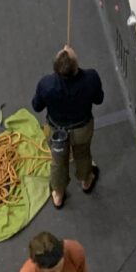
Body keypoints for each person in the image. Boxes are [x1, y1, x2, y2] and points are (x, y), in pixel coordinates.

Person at [31, 45, 104, 209]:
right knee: (83, 154)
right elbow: (99, 99)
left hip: (55, 130)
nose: (65, 49)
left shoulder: (46, 84)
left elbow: (36, 106)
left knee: (57, 161)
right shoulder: (91, 78)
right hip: (82, 129)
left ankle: (58, 194)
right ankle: (86, 180)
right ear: (76, 67)